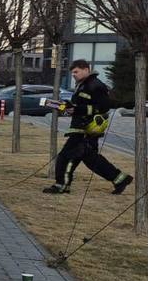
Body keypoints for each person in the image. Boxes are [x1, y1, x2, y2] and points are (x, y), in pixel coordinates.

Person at [43, 59, 133, 195]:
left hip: (85, 129)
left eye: (76, 72)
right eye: (72, 73)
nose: (74, 75)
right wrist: (67, 107)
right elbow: (80, 105)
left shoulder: (95, 85)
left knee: (65, 157)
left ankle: (61, 185)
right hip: (82, 128)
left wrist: (78, 109)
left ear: (86, 69)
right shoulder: (83, 85)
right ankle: (120, 179)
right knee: (91, 160)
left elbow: (103, 107)